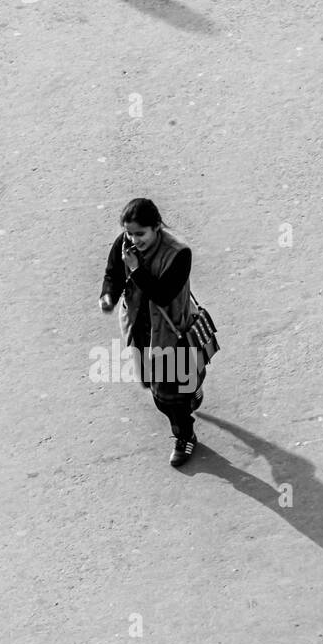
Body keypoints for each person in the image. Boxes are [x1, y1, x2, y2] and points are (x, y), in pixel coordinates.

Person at [99, 198, 206, 465]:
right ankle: (190, 391)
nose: (134, 240)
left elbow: (162, 294)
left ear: (156, 227)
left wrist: (136, 268)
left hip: (170, 331)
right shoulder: (123, 244)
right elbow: (112, 274)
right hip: (140, 328)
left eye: (140, 233)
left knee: (166, 397)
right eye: (129, 233)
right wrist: (108, 296)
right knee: (152, 384)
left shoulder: (179, 253)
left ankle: (185, 436)